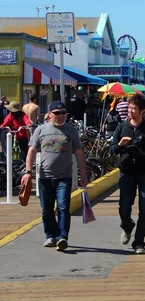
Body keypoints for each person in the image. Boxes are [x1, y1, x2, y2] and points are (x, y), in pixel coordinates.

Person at [22, 101, 88, 251]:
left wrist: (83, 173)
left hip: (65, 176)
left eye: (63, 113)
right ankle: (50, 236)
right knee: (46, 209)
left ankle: (62, 237)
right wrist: (27, 172)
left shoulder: (71, 131)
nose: (61, 116)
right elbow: (31, 151)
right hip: (45, 177)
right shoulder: (40, 130)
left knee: (63, 207)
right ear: (49, 114)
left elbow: (78, 152)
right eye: (57, 113)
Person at [111, 94, 145, 254]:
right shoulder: (121, 127)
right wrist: (120, 145)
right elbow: (112, 149)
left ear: (142, 110)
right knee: (124, 208)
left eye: (133, 108)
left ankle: (139, 242)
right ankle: (127, 226)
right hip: (126, 173)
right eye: (129, 107)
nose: (130, 111)